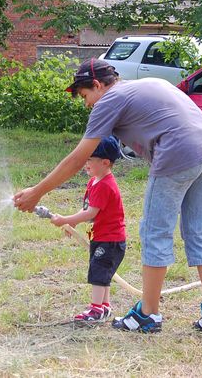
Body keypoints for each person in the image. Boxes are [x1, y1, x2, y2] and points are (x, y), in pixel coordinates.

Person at [13, 58, 202, 333]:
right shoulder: (147, 84)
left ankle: (148, 315)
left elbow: (79, 158)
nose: (87, 104)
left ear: (97, 85)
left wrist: (36, 192)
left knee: (155, 233)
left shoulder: (109, 99)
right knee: (199, 232)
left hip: (176, 154)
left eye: (85, 95)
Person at [48, 136, 126, 325]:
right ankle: (104, 306)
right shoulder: (94, 182)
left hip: (110, 240)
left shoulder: (105, 185)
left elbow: (91, 212)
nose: (85, 163)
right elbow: (88, 212)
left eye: (89, 159)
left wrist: (67, 219)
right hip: (102, 237)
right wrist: (73, 222)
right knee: (103, 272)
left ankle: (96, 309)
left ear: (105, 162)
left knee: (99, 272)